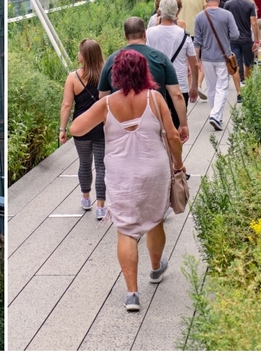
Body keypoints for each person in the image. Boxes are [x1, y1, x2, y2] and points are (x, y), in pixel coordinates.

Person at [71, 49, 184, 312]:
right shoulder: (155, 99)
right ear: (144, 71)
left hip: (120, 174)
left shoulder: (107, 104)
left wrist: (102, 119)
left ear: (117, 74)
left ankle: (132, 293)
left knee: (126, 229)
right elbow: (173, 137)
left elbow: (76, 128)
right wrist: (178, 164)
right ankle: (155, 269)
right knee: (154, 219)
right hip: (154, 170)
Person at [98, 17, 189, 143]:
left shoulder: (112, 60)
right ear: (145, 33)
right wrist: (183, 124)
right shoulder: (160, 58)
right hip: (155, 123)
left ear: (125, 35)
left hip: (121, 124)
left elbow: (103, 97)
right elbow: (177, 95)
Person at [59, 39, 107, 220]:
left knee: (85, 163)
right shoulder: (105, 74)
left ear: (84, 56)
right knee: (102, 165)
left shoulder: (73, 78)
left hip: (81, 127)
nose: (77, 55)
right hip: (101, 126)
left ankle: (86, 199)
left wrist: (62, 129)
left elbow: (66, 105)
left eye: (79, 52)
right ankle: (101, 207)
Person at [146, 0, 199, 126]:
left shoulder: (149, 33)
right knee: (178, 125)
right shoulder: (184, 35)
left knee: (157, 124)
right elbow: (194, 63)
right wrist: (194, 86)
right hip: (180, 84)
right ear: (176, 11)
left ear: (160, 11)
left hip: (156, 85)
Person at [193, 0, 239, 131]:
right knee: (223, 87)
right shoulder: (227, 15)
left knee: (212, 88)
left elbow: (197, 41)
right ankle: (215, 115)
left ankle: (216, 116)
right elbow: (235, 35)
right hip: (223, 56)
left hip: (206, 57)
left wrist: (197, 60)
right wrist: (225, 36)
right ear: (219, 0)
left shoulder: (200, 17)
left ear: (206, 0)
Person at [223, 0, 259, 98]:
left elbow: (224, 22)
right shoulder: (249, 5)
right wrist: (257, 40)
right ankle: (247, 88)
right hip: (247, 39)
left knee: (235, 65)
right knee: (248, 63)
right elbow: (253, 22)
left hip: (233, 39)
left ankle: (239, 92)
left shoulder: (228, 4)